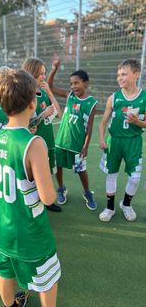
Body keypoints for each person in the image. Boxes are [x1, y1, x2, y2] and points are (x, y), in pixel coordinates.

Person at [0, 69, 61, 307]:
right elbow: (48, 197)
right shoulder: (35, 143)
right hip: (29, 230)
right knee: (47, 278)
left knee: (5, 270)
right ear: (33, 102)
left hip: (2, 225)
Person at [98, 59, 146, 222]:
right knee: (111, 174)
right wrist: (101, 138)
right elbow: (103, 121)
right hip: (114, 142)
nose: (119, 77)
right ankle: (109, 207)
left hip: (133, 142)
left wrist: (137, 122)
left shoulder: (144, 97)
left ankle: (126, 204)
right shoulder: (114, 97)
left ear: (136, 74)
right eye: (118, 74)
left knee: (135, 177)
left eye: (124, 74)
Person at [47, 58, 97, 210]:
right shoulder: (70, 96)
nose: (73, 86)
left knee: (81, 171)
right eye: (71, 84)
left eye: (76, 83)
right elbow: (49, 87)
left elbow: (89, 127)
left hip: (77, 145)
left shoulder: (91, 102)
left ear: (85, 83)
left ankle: (87, 192)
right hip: (62, 141)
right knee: (59, 167)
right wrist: (54, 68)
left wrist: (86, 146)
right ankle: (61, 188)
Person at [22, 58, 62, 212]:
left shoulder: (43, 93)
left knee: (47, 173)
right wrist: (42, 115)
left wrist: (50, 92)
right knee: (34, 176)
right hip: (34, 146)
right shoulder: (26, 98)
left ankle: (47, 201)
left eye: (45, 73)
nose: (43, 77)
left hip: (48, 142)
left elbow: (58, 113)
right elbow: (26, 126)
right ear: (31, 75)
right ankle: (35, 202)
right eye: (40, 74)